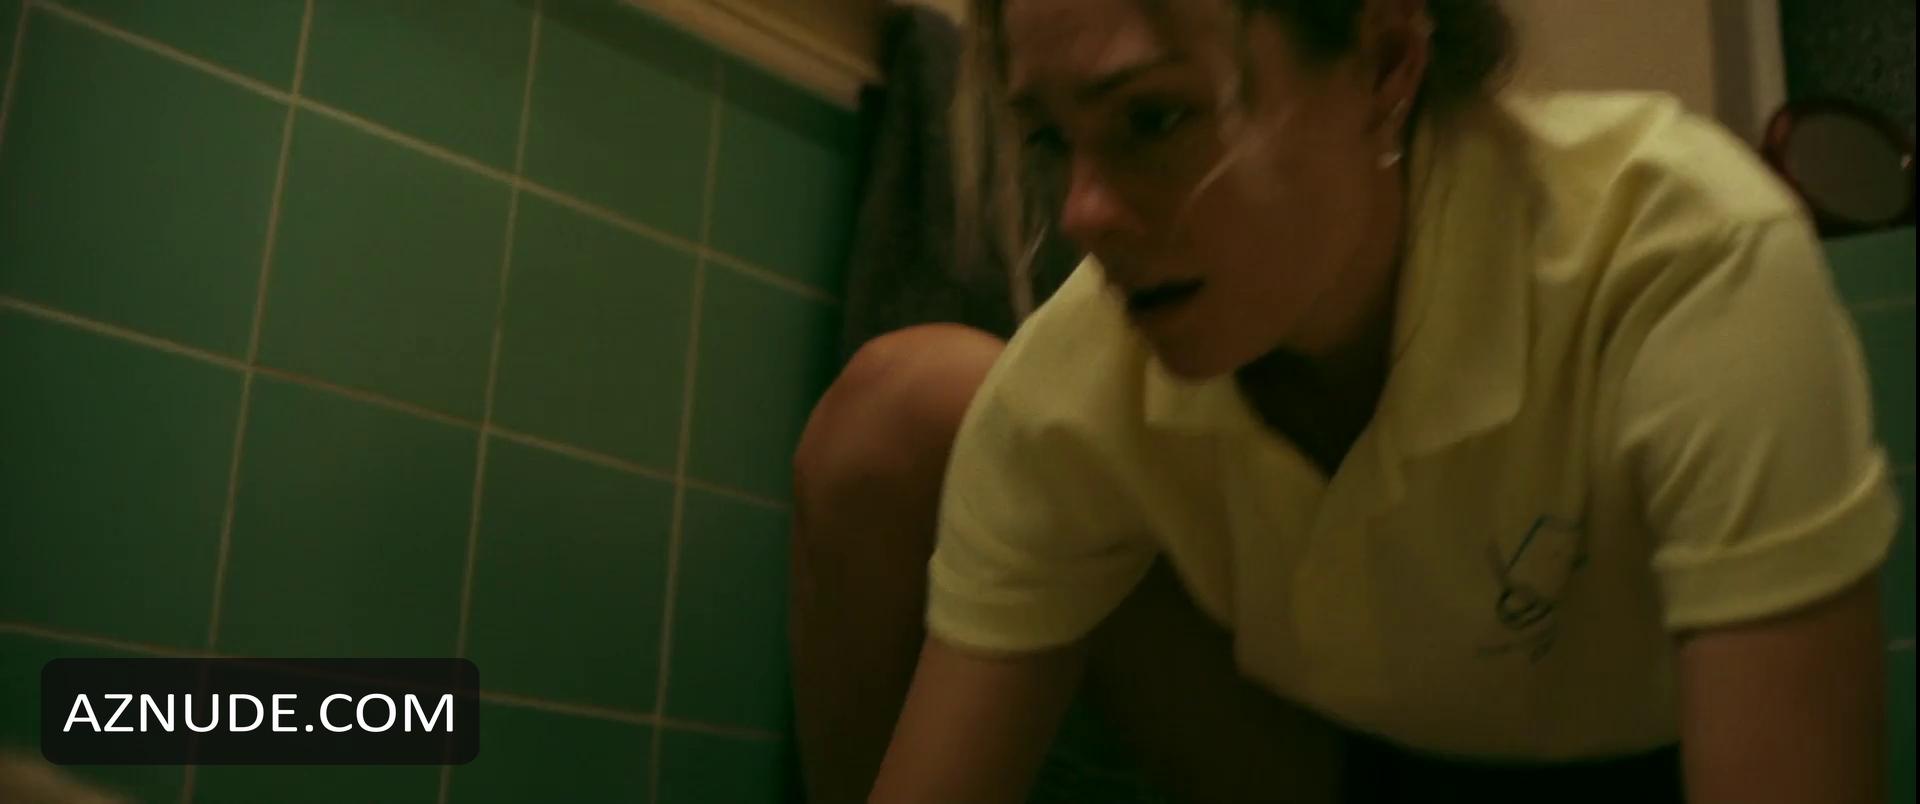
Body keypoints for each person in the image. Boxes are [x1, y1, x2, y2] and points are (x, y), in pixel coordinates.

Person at [789, 0, 1899, 801]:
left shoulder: (1677, 255)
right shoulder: (1076, 384)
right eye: (1050, 138)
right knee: (919, 404)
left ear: (1384, 63)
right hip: (1330, 762)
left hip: (1633, 768)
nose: (1080, 212)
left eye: (1155, 118)